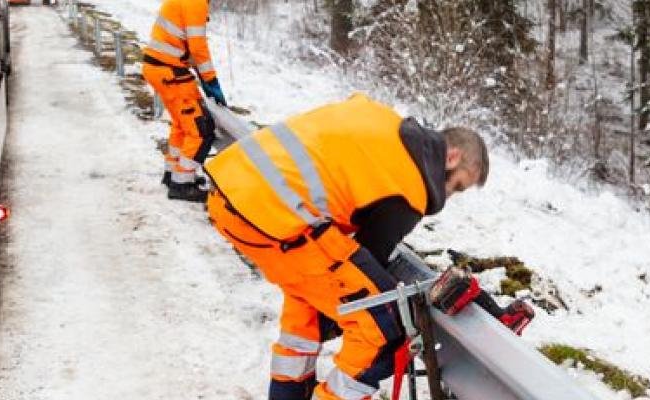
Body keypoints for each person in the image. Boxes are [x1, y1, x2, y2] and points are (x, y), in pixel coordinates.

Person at [204, 93, 489, 400]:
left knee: (310, 300)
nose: (448, 197)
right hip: (277, 216)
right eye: (456, 186)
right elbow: (369, 256)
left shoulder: (383, 120)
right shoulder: (412, 185)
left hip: (234, 191)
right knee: (384, 326)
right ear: (452, 157)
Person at [142, 0, 226, 203]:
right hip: (169, 71)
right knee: (201, 128)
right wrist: (210, 80)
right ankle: (182, 184)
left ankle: (172, 175)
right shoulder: (195, 3)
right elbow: (198, 47)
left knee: (183, 125)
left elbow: (186, 42)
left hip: (158, 68)